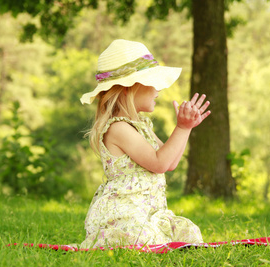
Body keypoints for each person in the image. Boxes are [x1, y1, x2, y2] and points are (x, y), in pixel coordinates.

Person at [79, 39, 211, 248]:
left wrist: (187, 128)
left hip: (149, 213)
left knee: (188, 233)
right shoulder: (118, 128)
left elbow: (169, 163)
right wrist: (181, 128)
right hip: (125, 214)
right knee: (143, 237)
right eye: (152, 81)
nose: (159, 88)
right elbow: (158, 163)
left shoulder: (141, 126)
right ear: (128, 88)